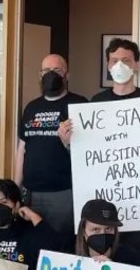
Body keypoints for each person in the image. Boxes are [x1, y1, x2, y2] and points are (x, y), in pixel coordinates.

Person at [86, 37, 140, 266]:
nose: (120, 66)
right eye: (114, 60)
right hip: (104, 208)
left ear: (137, 65)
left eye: (126, 60)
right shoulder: (95, 103)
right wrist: (67, 141)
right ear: (107, 64)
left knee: (136, 263)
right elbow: (87, 155)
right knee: (101, 263)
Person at [15, 54, 87, 249]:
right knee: (32, 245)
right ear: (40, 75)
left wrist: (67, 143)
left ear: (67, 75)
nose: (51, 75)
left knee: (59, 246)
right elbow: (22, 149)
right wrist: (15, 188)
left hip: (62, 193)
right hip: (29, 192)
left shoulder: (79, 105)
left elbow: (90, 155)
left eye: (57, 71)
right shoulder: (31, 107)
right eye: (46, 71)